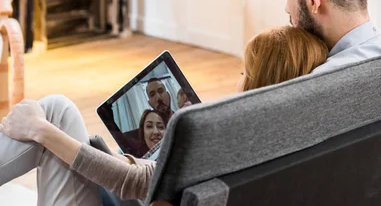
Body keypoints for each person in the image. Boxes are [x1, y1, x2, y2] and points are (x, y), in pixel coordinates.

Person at [0, 26, 328, 204]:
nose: (238, 79)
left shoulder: (229, 142)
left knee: (53, 114)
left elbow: (134, 183)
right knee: (57, 109)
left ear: (260, 82)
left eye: (245, 72)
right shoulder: (291, 144)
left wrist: (41, 130)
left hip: (128, 193)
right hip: (138, 182)